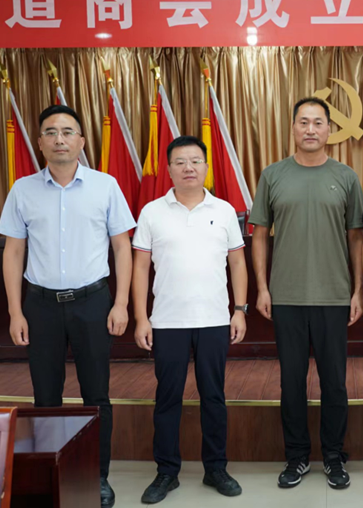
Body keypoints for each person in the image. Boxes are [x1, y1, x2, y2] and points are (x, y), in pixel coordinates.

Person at [0, 105, 134, 507]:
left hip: (93, 302)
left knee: (97, 395)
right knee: (45, 396)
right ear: (39, 142)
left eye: (68, 131)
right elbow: (13, 252)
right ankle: (50, 475)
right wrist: (15, 311)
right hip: (40, 306)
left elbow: (122, 247)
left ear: (81, 140)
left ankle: (99, 476)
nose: (60, 139)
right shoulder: (23, 189)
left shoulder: (105, 186)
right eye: (51, 132)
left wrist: (121, 303)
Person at [249, 97, 363, 490]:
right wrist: (262, 288)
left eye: (318, 122)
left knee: (335, 383)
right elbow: (259, 235)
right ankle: (296, 457)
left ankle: (333, 456)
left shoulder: (346, 176)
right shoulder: (273, 175)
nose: (310, 129)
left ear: (330, 129)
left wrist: (358, 291)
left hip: (334, 296)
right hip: (286, 296)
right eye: (303, 122)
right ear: (293, 128)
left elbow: (356, 238)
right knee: (291, 382)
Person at [132, 136, 248, 503]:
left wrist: (240, 309)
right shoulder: (152, 212)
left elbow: (237, 262)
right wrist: (141, 318)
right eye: (180, 162)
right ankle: (167, 472)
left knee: (214, 396)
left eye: (196, 161)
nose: (188, 168)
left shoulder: (224, 210)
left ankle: (216, 468)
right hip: (167, 321)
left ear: (206, 167)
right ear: (168, 169)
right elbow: (139, 268)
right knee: (167, 398)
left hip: (214, 319)